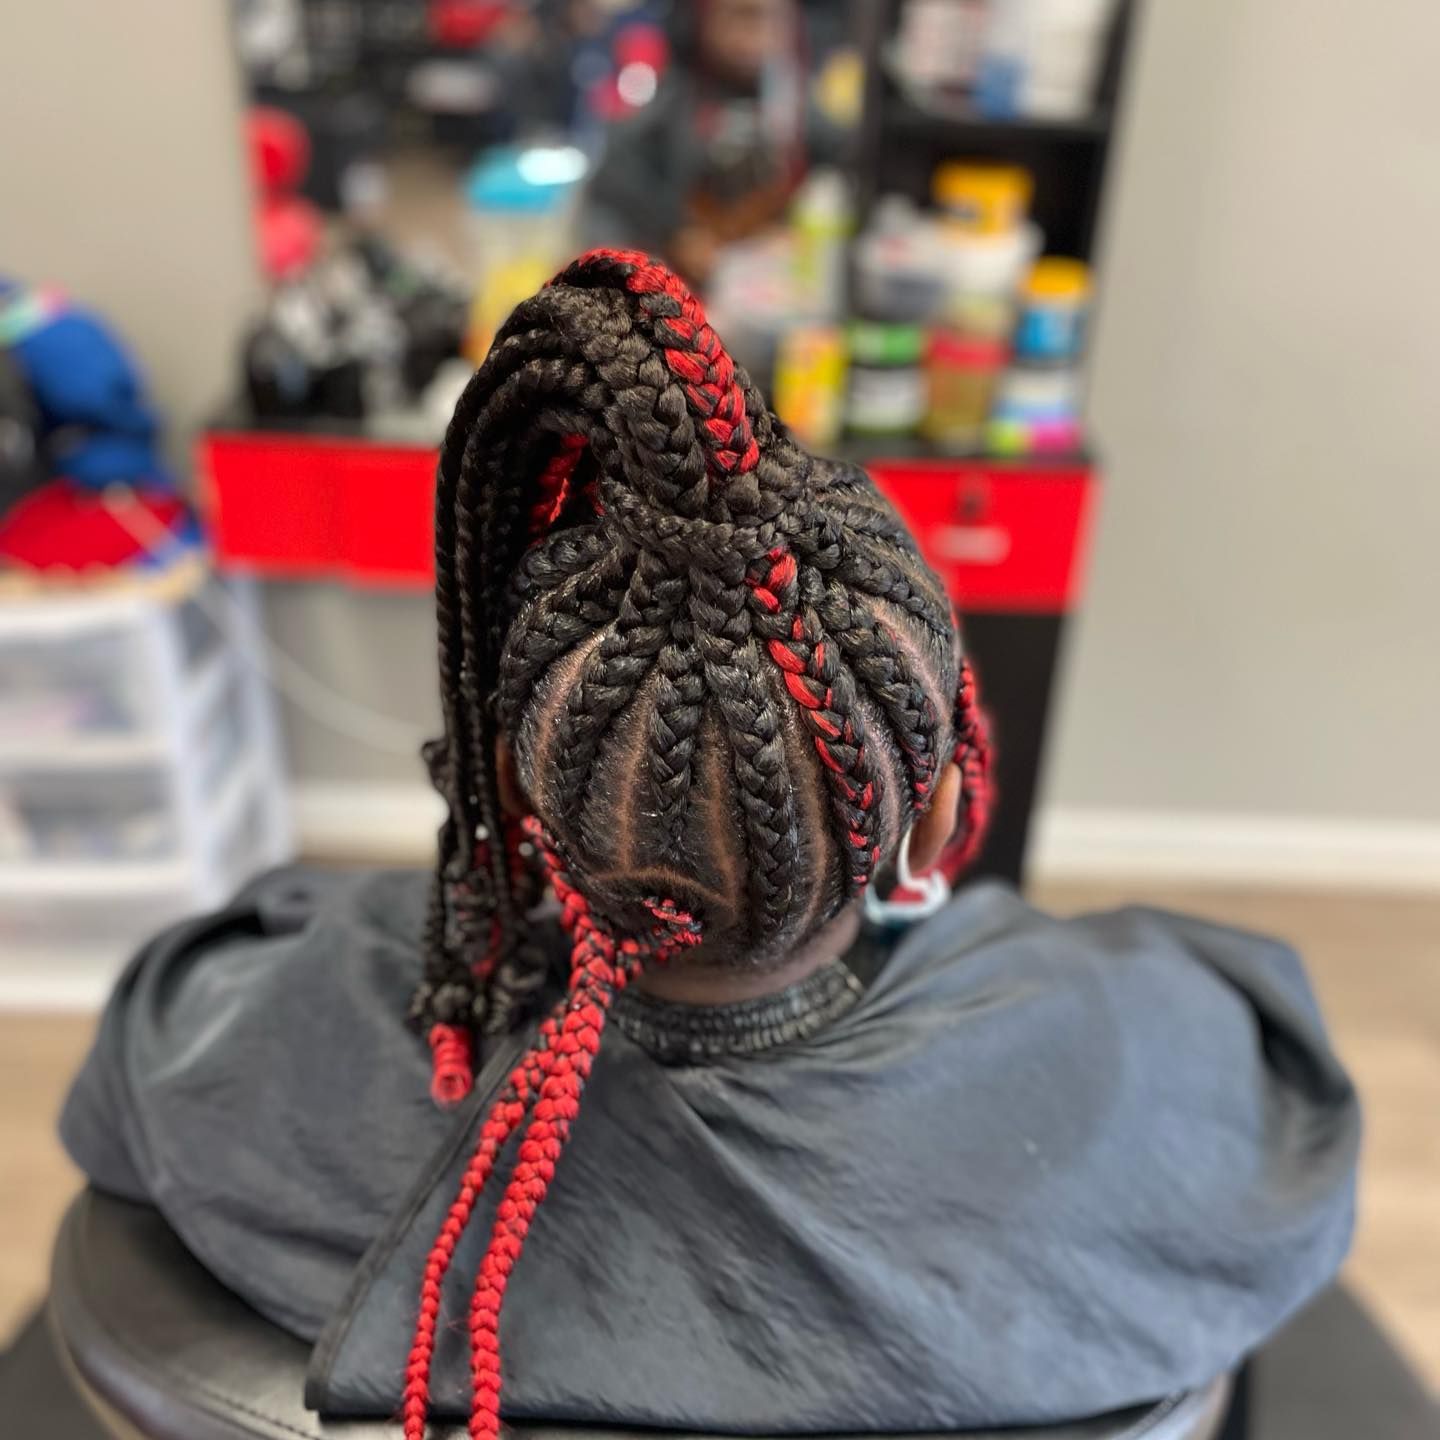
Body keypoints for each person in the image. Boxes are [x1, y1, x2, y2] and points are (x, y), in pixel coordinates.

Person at [62, 250, 1359, 1440]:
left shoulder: (235, 1038)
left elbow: (140, 1061)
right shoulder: (1161, 1060)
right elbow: (1283, 1088)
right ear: (948, 803)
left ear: (515, 792)